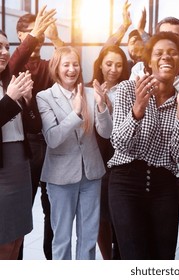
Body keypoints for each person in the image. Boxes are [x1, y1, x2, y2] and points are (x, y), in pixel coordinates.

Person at [107, 32, 179, 260]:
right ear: (149, 61)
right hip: (126, 181)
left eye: (173, 53)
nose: (166, 58)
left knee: (163, 257)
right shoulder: (128, 90)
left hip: (165, 185)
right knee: (134, 256)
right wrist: (137, 111)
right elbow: (120, 144)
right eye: (159, 53)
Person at [36, 46, 113, 260]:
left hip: (91, 174)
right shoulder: (45, 97)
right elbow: (52, 138)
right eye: (66, 64)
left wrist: (101, 107)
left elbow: (106, 133)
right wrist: (76, 113)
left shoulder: (89, 93)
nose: (72, 69)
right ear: (56, 68)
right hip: (60, 177)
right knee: (61, 238)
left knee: (88, 238)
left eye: (75, 64)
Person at [8, 6, 64, 260]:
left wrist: (54, 37)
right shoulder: (11, 65)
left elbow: (67, 63)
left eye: (41, 32)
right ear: (21, 36)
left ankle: (51, 262)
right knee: (20, 211)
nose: (38, 36)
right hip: (24, 145)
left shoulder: (48, 64)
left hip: (50, 141)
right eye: (33, 32)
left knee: (52, 210)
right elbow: (15, 63)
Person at [86, 45, 129, 260]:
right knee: (100, 215)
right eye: (109, 64)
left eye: (119, 64)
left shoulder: (128, 89)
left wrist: (110, 107)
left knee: (121, 214)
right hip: (98, 157)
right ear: (100, 64)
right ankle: (108, 260)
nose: (113, 69)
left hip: (122, 157)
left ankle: (121, 257)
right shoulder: (87, 89)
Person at [0, 30, 41, 260]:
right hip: (2, 170)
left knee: (18, 235)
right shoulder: (10, 89)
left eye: (7, 47)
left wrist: (27, 100)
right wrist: (10, 99)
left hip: (21, 166)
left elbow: (35, 128)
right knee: (4, 237)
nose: (4, 52)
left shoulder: (10, 81)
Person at [104, 1, 149, 71]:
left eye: (142, 48)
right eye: (132, 43)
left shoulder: (151, 65)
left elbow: (153, 50)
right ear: (127, 46)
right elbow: (105, 53)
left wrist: (141, 30)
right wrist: (124, 26)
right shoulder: (125, 66)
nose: (138, 53)